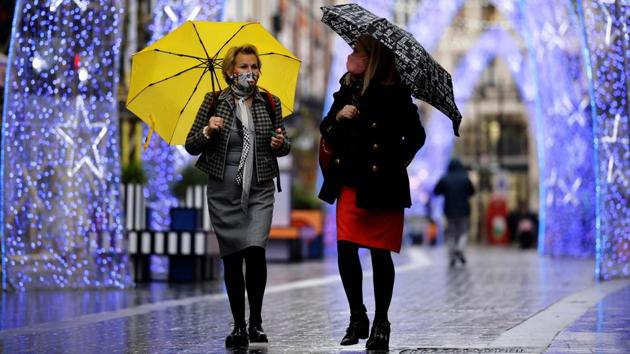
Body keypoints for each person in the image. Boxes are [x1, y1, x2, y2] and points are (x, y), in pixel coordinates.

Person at [319, 35, 426, 350]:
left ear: (373, 59)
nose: (350, 55)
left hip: (383, 183)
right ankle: (357, 314)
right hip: (350, 181)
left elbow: (417, 135)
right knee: (345, 249)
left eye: (357, 51)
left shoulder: (395, 94)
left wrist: (398, 160)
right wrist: (339, 116)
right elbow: (326, 129)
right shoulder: (346, 91)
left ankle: (382, 322)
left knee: (380, 254)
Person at [185, 44, 290, 349]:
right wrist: (208, 130)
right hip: (224, 189)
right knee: (232, 258)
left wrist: (280, 143)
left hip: (259, 186)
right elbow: (191, 145)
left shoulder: (270, 102)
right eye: (243, 67)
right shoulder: (214, 101)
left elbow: (284, 145)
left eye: (254, 66)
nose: (250, 72)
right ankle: (239, 326)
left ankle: (256, 322)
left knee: (255, 250)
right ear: (231, 71)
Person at [433, 158, 475, 267]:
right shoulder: (465, 178)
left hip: (449, 210)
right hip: (464, 210)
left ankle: (452, 256)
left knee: (451, 233)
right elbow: (472, 192)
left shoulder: (445, 178)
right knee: (463, 232)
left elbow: (436, 191)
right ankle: (459, 248)